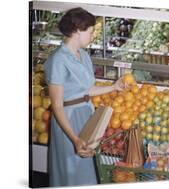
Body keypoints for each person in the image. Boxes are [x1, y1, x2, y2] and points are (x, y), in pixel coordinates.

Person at [44, 7, 125, 187]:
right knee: (70, 171)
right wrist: (74, 139)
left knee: (88, 171)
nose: (92, 35)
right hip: (68, 121)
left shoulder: (85, 56)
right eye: (90, 31)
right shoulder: (58, 60)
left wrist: (114, 87)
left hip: (86, 117)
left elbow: (87, 91)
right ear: (77, 31)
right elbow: (57, 106)